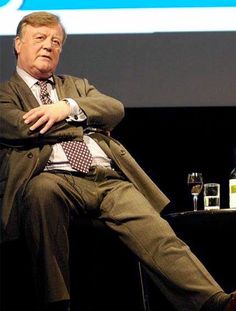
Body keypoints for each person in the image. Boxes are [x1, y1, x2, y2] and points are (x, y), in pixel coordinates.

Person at [0, 11, 235, 311]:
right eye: (40, 38)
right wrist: (83, 121)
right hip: (54, 178)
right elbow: (22, 127)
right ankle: (56, 304)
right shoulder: (5, 94)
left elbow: (114, 109)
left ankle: (215, 302)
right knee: (40, 193)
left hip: (106, 178)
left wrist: (67, 107)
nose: (49, 45)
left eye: (55, 41)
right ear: (18, 44)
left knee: (158, 233)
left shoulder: (76, 86)